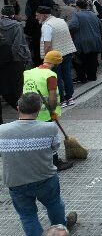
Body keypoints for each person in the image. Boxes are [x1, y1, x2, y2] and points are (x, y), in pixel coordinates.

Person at [0, 92, 78, 235]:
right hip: (45, 177)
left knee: (27, 215)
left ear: (18, 108)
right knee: (54, 204)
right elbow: (55, 148)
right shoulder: (49, 128)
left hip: (16, 182)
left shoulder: (2, 130)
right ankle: (60, 229)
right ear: (39, 109)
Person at [22, 51, 74, 171]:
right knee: (50, 138)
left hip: (27, 111)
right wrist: (52, 111)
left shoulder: (29, 72)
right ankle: (55, 163)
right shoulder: (50, 75)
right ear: (56, 64)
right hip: (44, 113)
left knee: (34, 138)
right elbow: (52, 96)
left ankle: (37, 162)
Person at [36, 7, 76, 108]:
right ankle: (70, 98)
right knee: (67, 75)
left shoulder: (47, 25)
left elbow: (47, 44)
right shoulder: (61, 21)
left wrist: (46, 59)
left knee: (56, 78)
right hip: (66, 52)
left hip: (54, 56)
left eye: (37, 15)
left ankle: (61, 100)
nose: (36, 17)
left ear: (44, 15)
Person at [0, 5, 31, 124]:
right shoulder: (16, 25)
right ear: (13, 14)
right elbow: (18, 43)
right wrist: (14, 55)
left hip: (3, 60)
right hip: (16, 60)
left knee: (6, 86)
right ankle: (24, 111)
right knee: (18, 87)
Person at [68, 0, 102, 83]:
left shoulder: (77, 15)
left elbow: (73, 26)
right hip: (95, 40)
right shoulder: (93, 14)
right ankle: (92, 76)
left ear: (77, 7)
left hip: (83, 42)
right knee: (92, 59)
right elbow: (100, 25)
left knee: (79, 60)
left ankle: (82, 77)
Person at [25, 0, 55, 66]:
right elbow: (28, 13)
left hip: (47, 23)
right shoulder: (31, 0)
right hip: (35, 25)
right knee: (37, 46)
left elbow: (53, 7)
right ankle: (39, 63)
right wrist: (34, 20)